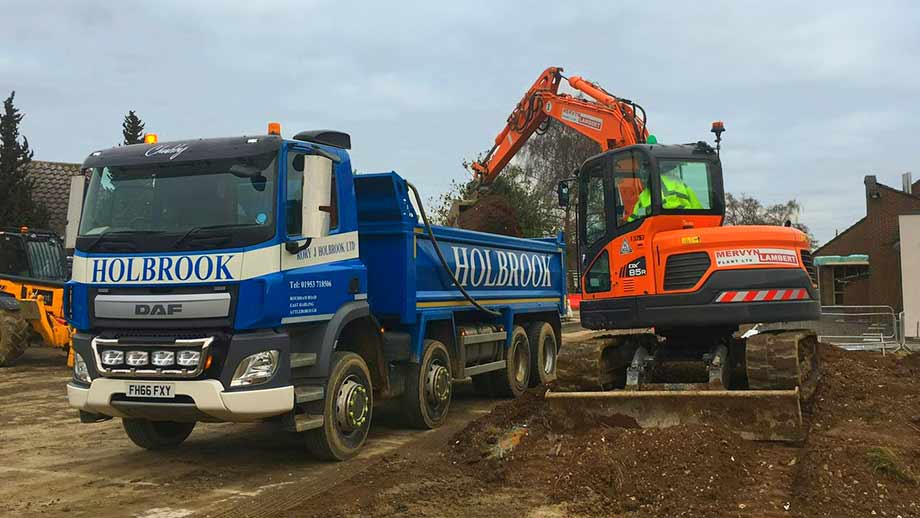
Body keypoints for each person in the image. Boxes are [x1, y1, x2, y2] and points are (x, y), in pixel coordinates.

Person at [627, 162, 703, 222]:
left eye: (644, 173)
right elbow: (698, 209)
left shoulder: (657, 187)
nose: (642, 178)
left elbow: (669, 208)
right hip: (691, 225)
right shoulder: (682, 185)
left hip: (671, 228)